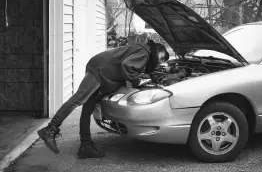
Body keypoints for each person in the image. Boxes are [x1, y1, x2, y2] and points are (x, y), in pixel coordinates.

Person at [37, 40, 169, 159]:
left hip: (100, 68)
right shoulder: (145, 52)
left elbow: (127, 66)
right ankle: (50, 129)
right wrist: (135, 81)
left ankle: (85, 145)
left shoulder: (142, 49)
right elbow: (127, 66)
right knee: (78, 99)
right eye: (161, 57)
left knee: (87, 108)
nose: (160, 61)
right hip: (101, 70)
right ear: (157, 51)